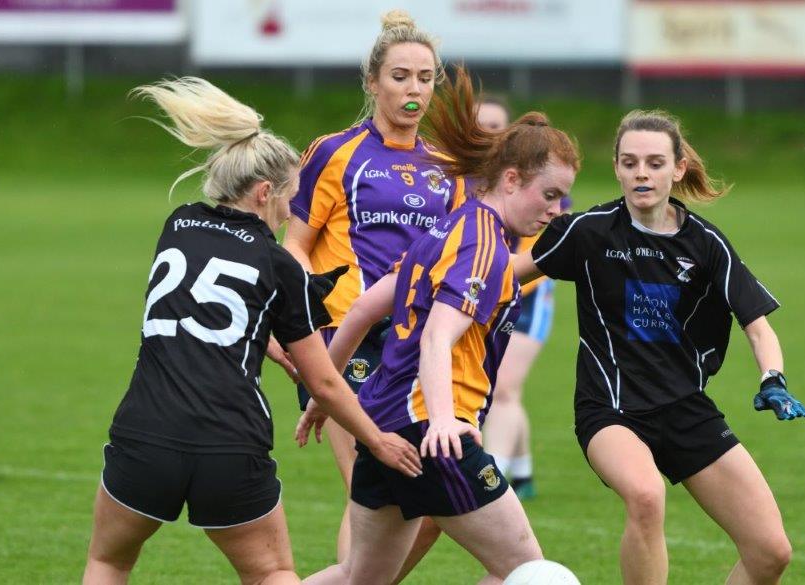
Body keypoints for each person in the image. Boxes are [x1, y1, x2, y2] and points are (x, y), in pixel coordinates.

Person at [82, 77, 421, 585]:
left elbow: (205, 308)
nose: (291, 211)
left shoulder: (178, 226)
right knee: (273, 573)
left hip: (145, 432)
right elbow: (327, 383)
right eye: (289, 197)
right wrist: (378, 441)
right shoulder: (279, 264)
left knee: (109, 562)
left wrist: (262, 340)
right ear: (264, 192)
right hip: (229, 442)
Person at [298, 67, 581, 585]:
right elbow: (436, 336)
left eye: (563, 198)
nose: (556, 210)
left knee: (359, 576)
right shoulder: (483, 242)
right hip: (432, 433)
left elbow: (363, 310)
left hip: (382, 426)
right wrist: (447, 421)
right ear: (512, 179)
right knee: (532, 574)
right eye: (550, 195)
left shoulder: (448, 225)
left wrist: (325, 393)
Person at [513, 109, 805, 585]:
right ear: (616, 167)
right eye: (629, 162)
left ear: (678, 168)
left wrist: (772, 378)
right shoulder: (587, 230)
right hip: (609, 410)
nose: (641, 173)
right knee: (647, 496)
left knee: (770, 551)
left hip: (684, 408)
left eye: (654, 162)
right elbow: (507, 272)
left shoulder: (706, 244)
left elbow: (757, 325)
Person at [282, 9, 466, 571]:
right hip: (345, 343)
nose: (414, 90)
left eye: (425, 78)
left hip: (416, 351)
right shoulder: (335, 152)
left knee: (428, 507)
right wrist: (304, 329)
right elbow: (293, 247)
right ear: (371, 81)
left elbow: (456, 259)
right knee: (373, 488)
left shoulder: (449, 166)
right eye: (400, 76)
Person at [476, 96, 571, 500]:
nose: (489, 134)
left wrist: (491, 279)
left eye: (497, 126)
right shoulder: (460, 180)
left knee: (504, 388)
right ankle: (525, 469)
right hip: (484, 291)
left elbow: (536, 257)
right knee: (500, 386)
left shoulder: (532, 180)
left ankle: (489, 477)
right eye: (480, 127)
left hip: (525, 294)